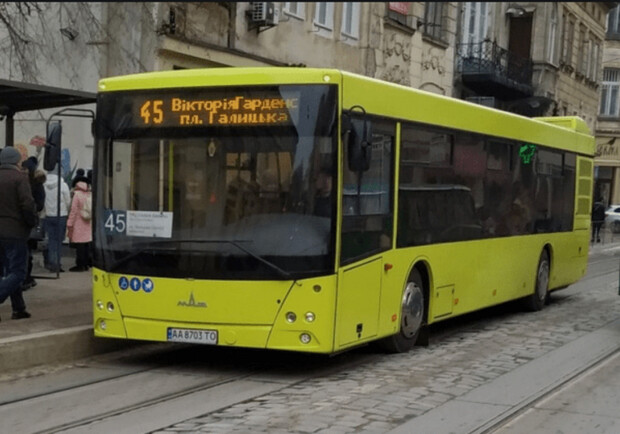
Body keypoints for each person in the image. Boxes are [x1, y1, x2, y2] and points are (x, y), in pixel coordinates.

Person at [0, 147, 36, 320]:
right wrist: (32, 222)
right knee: (18, 272)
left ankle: (19, 308)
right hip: (15, 231)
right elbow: (27, 204)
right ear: (16, 161)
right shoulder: (19, 178)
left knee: (5, 271)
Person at [21, 157, 46, 290]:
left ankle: (24, 279)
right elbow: (40, 205)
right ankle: (26, 279)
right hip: (28, 224)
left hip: (17, 224)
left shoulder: (19, 182)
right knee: (26, 254)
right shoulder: (37, 184)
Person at [43, 167, 71, 272]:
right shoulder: (63, 185)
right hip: (61, 215)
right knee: (59, 241)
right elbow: (68, 201)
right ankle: (57, 263)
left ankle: (52, 263)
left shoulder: (44, 184)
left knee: (51, 240)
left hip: (48, 215)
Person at [66, 180, 92, 271]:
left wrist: (69, 223)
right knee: (86, 244)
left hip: (78, 222)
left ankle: (80, 265)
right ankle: (86, 264)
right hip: (88, 221)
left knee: (79, 245)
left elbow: (73, 210)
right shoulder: (89, 194)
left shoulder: (77, 195)